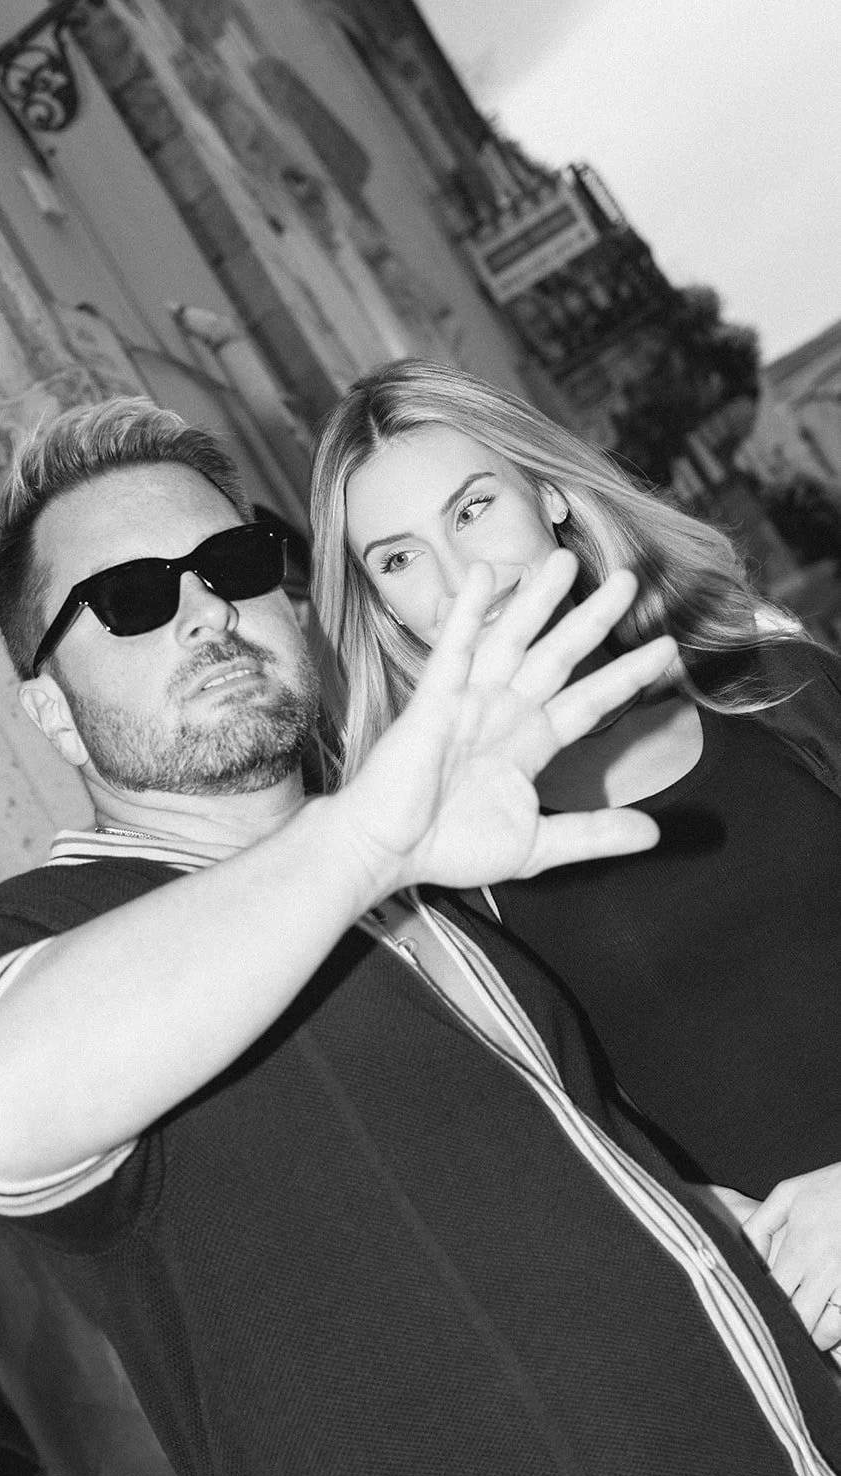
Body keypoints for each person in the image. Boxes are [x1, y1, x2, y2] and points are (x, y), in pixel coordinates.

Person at [0, 395, 841, 1476]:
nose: (204, 611)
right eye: (130, 599)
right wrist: (361, 843)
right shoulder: (58, 931)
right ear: (45, 705)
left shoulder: (435, 902)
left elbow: (613, 1215)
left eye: (232, 564)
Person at [310, 355, 841, 1357]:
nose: (458, 577)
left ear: (546, 494)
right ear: (381, 610)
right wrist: (716, 1226)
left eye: (471, 511)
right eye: (395, 559)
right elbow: (534, 1174)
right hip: (798, 1352)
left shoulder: (781, 690)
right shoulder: (437, 885)